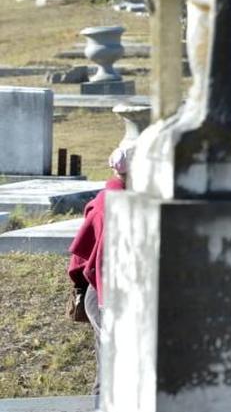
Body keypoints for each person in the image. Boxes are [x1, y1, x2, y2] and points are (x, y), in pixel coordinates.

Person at [67, 147, 131, 396]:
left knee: (108, 369)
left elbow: (80, 255)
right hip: (108, 297)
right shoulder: (116, 204)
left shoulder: (107, 198)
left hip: (100, 294)